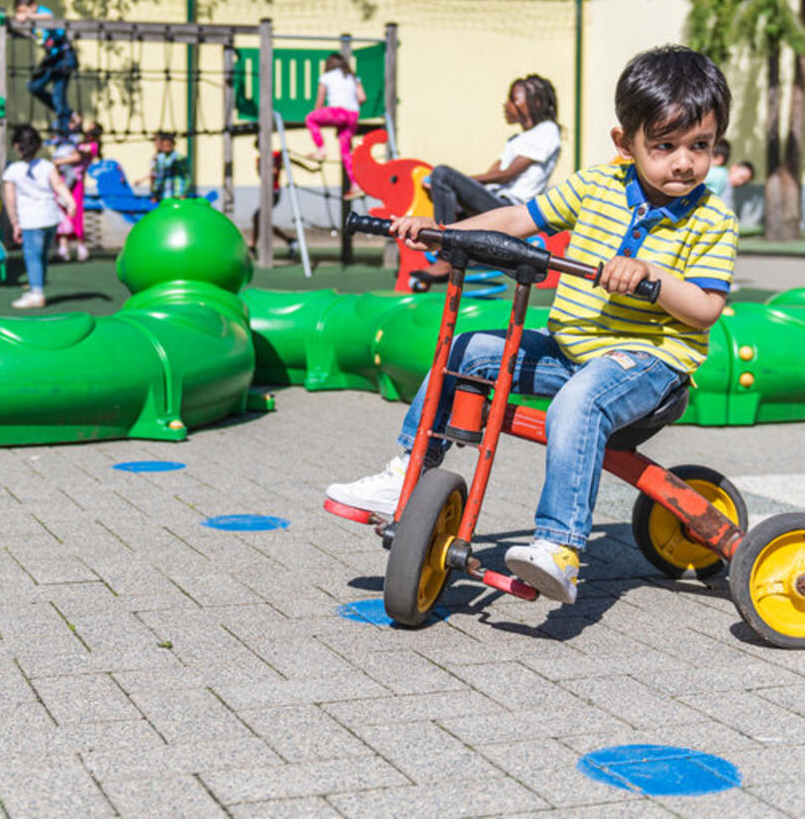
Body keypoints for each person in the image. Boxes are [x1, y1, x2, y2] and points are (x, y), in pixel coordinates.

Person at [325, 45, 738, 605]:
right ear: (626, 143)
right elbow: (520, 219)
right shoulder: (597, 184)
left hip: (649, 363)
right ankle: (408, 472)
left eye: (700, 146)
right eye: (664, 146)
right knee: (467, 351)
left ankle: (560, 548)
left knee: (579, 402)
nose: (684, 162)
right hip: (572, 352)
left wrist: (650, 276)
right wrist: (446, 232)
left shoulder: (713, 219)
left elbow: (707, 308)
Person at [410, 74, 561, 291]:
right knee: (445, 185)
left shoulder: (547, 131)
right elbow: (493, 173)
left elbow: (505, 175)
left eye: (513, 99)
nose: (506, 105)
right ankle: (440, 253)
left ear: (534, 102)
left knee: (442, 173)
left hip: (510, 209)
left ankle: (445, 258)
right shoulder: (516, 140)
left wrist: (448, 180)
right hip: (494, 200)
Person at [2, 124, 77, 309]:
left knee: (32, 256)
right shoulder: (47, 165)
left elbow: (10, 199)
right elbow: (58, 186)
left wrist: (14, 222)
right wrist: (71, 202)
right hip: (51, 217)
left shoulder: (13, 170)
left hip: (30, 220)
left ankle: (37, 294)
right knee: (42, 255)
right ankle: (37, 288)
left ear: (16, 146)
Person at [12, 0, 77, 133]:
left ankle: (64, 129)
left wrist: (29, 17)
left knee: (58, 95)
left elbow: (49, 18)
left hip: (64, 56)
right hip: (52, 59)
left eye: (24, 10)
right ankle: (70, 114)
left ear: (33, 6)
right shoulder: (33, 25)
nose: (22, 15)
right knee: (34, 86)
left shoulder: (41, 13)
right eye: (19, 12)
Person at [304, 53, 366, 199]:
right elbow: (362, 97)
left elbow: (320, 101)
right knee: (345, 151)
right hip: (352, 115)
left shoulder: (327, 77)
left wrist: (319, 113)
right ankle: (355, 185)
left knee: (310, 119)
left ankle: (321, 149)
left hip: (338, 112)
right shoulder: (352, 77)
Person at [50, 119, 101, 262]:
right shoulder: (75, 141)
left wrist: (56, 162)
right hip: (63, 180)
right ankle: (63, 248)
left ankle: (81, 246)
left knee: (76, 214)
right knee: (61, 212)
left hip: (76, 183)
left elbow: (77, 157)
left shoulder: (91, 146)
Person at [137, 131, 188, 202]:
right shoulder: (159, 158)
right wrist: (155, 193)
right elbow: (157, 176)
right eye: (164, 145)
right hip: (163, 194)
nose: (166, 147)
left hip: (175, 194)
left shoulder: (178, 158)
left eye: (168, 145)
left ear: (173, 144)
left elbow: (183, 177)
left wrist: (181, 193)